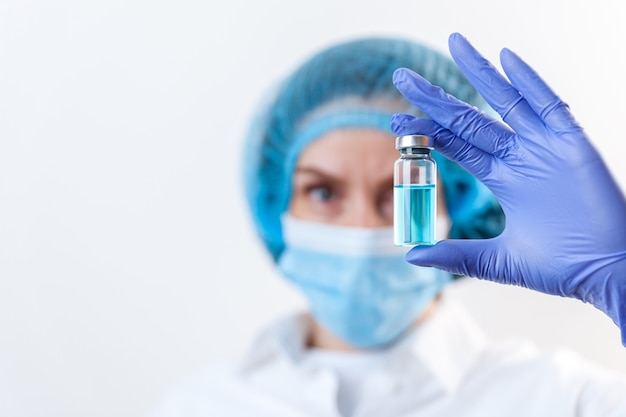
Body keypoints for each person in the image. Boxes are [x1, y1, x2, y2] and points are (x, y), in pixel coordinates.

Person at [148, 37, 626, 417]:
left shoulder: (568, 401)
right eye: (323, 192)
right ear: (276, 207)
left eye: (396, 195)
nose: (361, 229)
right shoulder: (201, 407)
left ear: (456, 208)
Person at [391, 33, 626, 347]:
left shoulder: (572, 391)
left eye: (385, 192)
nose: (362, 223)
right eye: (324, 192)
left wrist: (615, 275)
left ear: (461, 202)